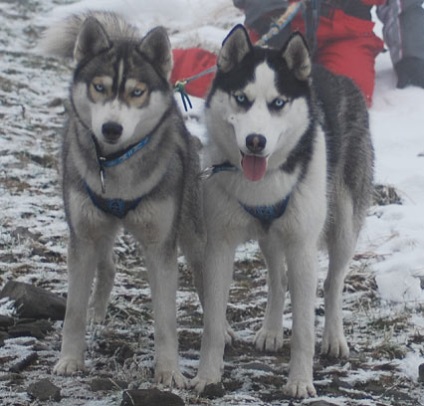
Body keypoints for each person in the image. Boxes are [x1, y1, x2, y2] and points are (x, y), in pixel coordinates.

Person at [170, 0, 424, 106]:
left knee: (347, 97)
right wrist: (267, 16)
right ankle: (161, 63)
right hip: (280, 21)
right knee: (244, 84)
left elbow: (403, 5)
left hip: (346, 30)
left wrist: (413, 58)